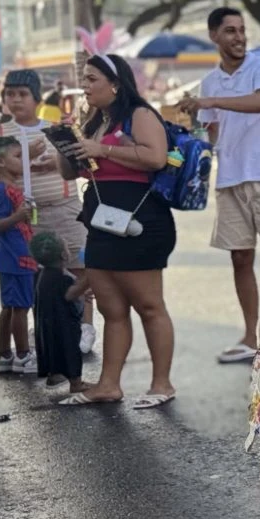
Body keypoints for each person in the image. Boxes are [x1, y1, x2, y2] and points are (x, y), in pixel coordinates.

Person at [181, 7, 260, 364]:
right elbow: (211, 130)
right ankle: (250, 337)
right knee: (240, 258)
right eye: (230, 31)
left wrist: (210, 102)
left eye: (241, 30)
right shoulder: (209, 81)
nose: (238, 37)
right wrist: (191, 141)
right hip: (230, 177)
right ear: (214, 37)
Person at [58, 54, 176, 410]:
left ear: (115, 83)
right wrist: (67, 140)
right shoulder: (95, 121)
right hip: (101, 220)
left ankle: (161, 382)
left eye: (92, 79)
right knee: (112, 309)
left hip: (140, 222)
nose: (86, 85)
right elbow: (69, 172)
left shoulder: (139, 115)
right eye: (85, 79)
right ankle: (109, 384)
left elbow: (156, 157)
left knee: (149, 305)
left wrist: (102, 148)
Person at [0, 70, 95, 354]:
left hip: (64, 209)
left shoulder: (56, 129)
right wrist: (24, 157)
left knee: (79, 270)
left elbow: (78, 167)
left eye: (22, 94)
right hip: (24, 219)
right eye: (10, 95)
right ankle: (46, 327)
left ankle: (84, 327)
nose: (15, 100)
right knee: (36, 277)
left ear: (37, 98)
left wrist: (56, 163)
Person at [0, 136, 37, 374]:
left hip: (17, 255)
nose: (22, 162)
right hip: (15, 257)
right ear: (1, 162)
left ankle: (5, 354)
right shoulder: (1, 190)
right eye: (17, 157)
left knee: (10, 306)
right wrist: (18, 217)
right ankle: (23, 355)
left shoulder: (11, 188)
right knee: (20, 307)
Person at [29, 232, 87, 393]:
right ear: (63, 254)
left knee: (52, 349)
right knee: (70, 350)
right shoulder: (62, 278)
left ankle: (55, 375)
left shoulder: (42, 274)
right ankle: (76, 383)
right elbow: (70, 294)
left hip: (48, 323)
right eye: (67, 247)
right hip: (64, 324)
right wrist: (88, 281)